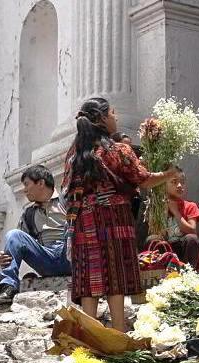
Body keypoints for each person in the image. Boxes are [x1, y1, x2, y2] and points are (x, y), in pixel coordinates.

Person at [63, 97, 178, 332]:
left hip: (84, 220)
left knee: (91, 278)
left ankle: (90, 335)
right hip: (113, 219)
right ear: (102, 119)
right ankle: (118, 331)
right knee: (115, 275)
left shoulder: (74, 155)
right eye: (112, 113)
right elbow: (143, 179)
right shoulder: (117, 151)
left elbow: (69, 188)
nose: (115, 117)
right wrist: (169, 173)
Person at [0, 165, 70, 305]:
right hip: (46, 258)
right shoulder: (29, 214)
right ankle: (8, 287)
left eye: (27, 184)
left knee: (73, 226)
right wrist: (4, 255)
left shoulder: (66, 201)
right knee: (13, 235)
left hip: (70, 255)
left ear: (40, 183)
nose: (24, 189)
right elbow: (17, 243)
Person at [161, 167, 199, 271]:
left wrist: (175, 211)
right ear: (163, 185)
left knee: (192, 238)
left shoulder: (190, 206)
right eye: (174, 182)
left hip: (184, 251)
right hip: (168, 251)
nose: (180, 185)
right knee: (152, 239)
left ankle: (188, 273)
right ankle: (158, 272)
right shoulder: (158, 208)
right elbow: (159, 234)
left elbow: (192, 230)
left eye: (182, 182)